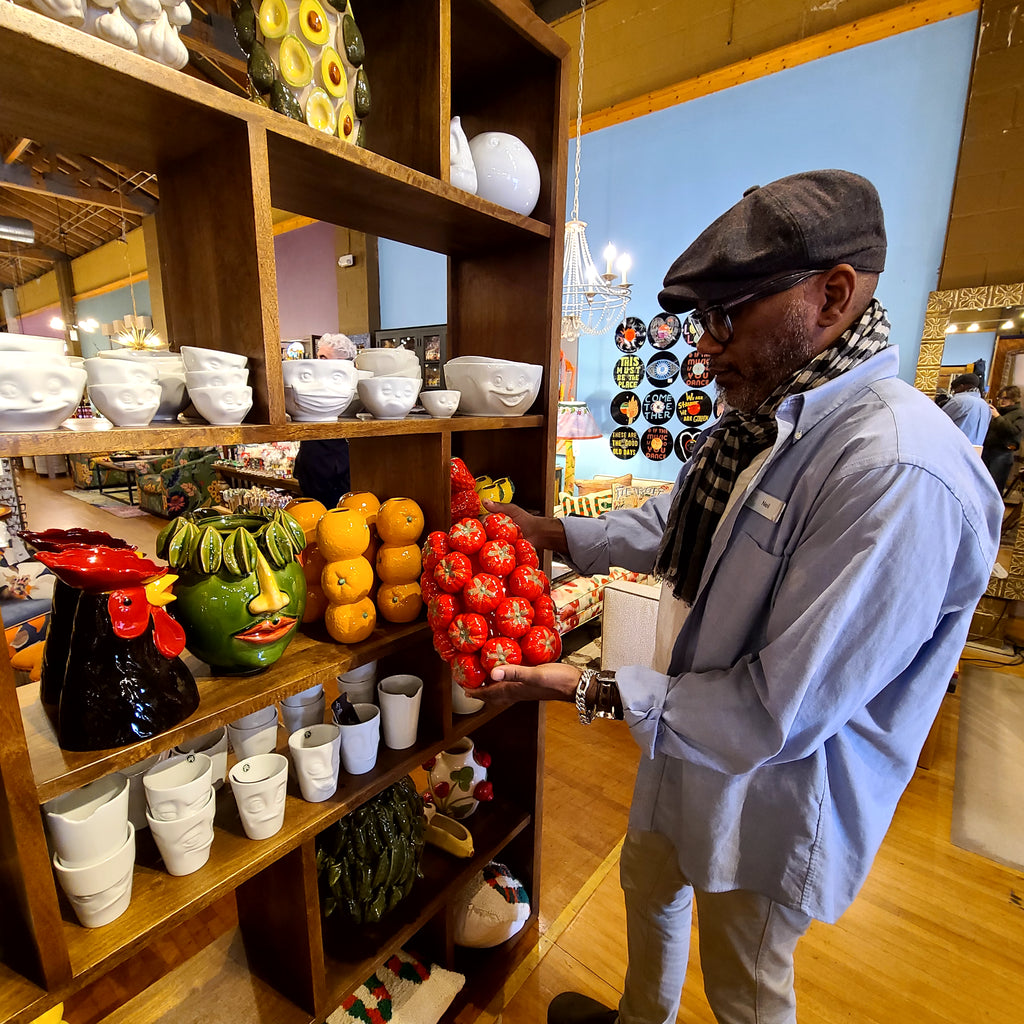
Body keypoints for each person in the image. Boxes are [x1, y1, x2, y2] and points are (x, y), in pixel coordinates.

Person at [476, 170, 1002, 1024]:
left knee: (743, 983)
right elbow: (678, 520)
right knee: (649, 885)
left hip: (774, 793)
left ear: (833, 295)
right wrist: (549, 531)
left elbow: (776, 713)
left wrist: (584, 687)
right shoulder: (764, 422)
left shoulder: (895, 471)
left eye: (726, 318)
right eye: (702, 321)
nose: (705, 349)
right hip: (684, 733)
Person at [292, 334, 354, 507]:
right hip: (313, 467)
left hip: (339, 471)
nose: (318, 362)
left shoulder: (350, 391)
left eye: (323, 358)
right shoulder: (310, 390)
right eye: (318, 356)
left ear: (342, 363)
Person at [981, 384, 1024, 495]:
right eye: (1000, 398)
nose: (1002, 401)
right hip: (988, 450)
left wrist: (998, 417)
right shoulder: (999, 411)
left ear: (1014, 399)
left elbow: (1014, 431)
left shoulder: (1019, 414)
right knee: (982, 483)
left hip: (1002, 452)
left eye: (1006, 398)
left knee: (995, 486)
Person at [940, 372, 990, 444]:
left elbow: (940, 422)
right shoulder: (985, 406)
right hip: (976, 448)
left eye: (954, 390)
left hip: (956, 446)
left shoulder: (959, 401)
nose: (954, 393)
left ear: (961, 387)